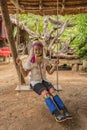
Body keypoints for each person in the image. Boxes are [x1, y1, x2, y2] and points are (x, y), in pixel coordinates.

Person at [16, 41, 72, 122]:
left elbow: (50, 72)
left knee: (53, 91)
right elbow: (24, 74)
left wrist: (55, 65)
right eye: (36, 50)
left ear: (42, 50)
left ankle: (64, 110)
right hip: (35, 82)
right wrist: (20, 65)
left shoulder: (45, 60)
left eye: (39, 49)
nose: (37, 51)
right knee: (45, 93)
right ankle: (56, 113)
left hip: (44, 81)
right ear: (33, 50)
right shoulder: (30, 61)